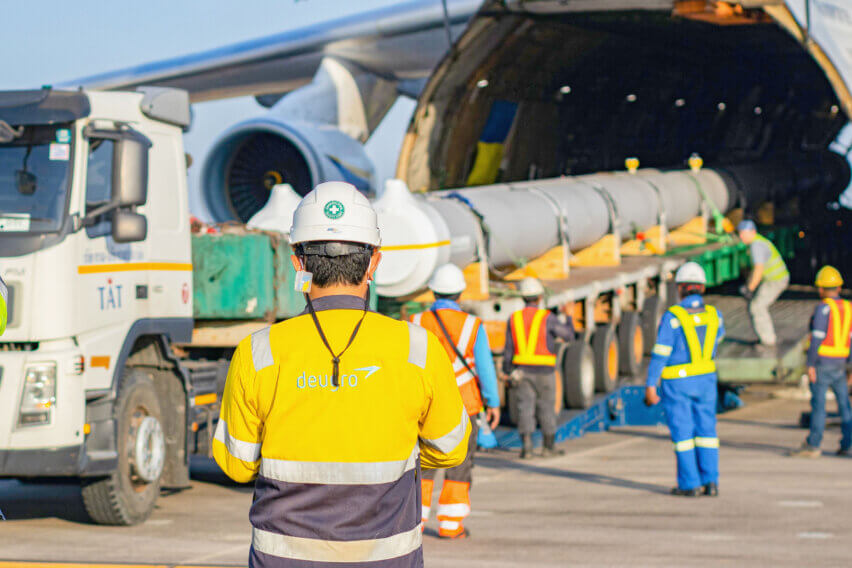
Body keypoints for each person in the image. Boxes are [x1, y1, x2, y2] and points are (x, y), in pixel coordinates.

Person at [213, 182, 470, 567]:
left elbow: (237, 464)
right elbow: (451, 449)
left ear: (297, 261)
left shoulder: (258, 352)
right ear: (374, 262)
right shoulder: (419, 348)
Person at [410, 263, 501, 539]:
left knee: (422, 466)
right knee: (460, 464)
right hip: (465, 403)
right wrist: (493, 402)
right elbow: (484, 368)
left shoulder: (415, 322)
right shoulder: (473, 325)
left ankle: (417, 523)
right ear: (460, 293)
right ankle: (451, 526)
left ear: (433, 292)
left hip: (425, 405)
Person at [645, 262, 725, 497]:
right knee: (707, 432)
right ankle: (711, 482)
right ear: (702, 288)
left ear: (680, 288)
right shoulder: (714, 315)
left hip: (678, 383)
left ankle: (690, 484)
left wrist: (651, 384)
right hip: (706, 381)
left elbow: (661, 353)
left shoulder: (672, 318)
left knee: (683, 435)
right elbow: (717, 340)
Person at [503, 277, 575, 459]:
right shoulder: (547, 318)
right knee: (546, 408)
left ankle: (526, 448)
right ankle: (548, 447)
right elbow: (568, 336)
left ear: (523, 298)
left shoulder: (514, 318)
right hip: (545, 372)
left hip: (522, 372)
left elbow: (508, 349)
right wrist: (569, 317)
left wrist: (508, 371)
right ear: (540, 297)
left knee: (524, 409)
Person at [789, 265, 852, 458]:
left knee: (819, 406)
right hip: (840, 364)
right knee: (845, 406)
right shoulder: (848, 308)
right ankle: (847, 444)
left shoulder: (823, 308)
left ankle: (814, 445)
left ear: (821, 289)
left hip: (822, 364)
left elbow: (816, 338)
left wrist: (810, 364)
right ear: (839, 288)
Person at [737, 220, 789, 348]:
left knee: (757, 307)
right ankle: (766, 338)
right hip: (774, 279)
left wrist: (750, 288)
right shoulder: (757, 242)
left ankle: (768, 340)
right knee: (757, 306)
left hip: (776, 280)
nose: (741, 236)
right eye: (740, 233)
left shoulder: (756, 245)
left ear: (753, 232)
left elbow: (758, 270)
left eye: (744, 233)